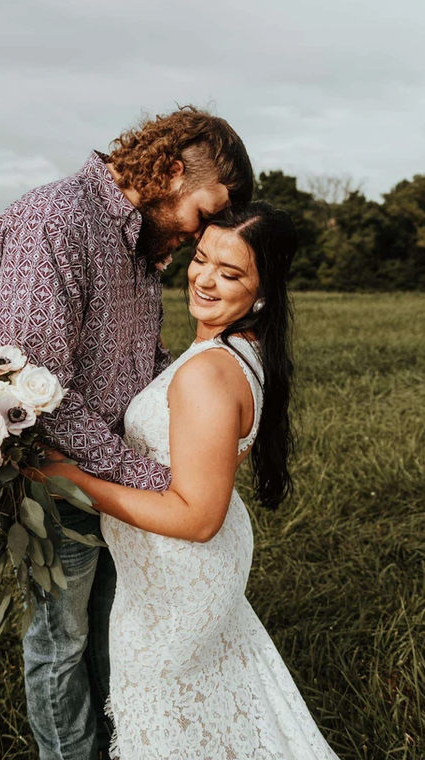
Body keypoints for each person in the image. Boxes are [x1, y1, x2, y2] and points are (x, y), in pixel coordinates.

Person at [0, 105, 253, 760]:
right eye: (204, 212)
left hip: (112, 479)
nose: (203, 233)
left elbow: (137, 363)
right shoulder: (54, 220)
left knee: (112, 629)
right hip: (56, 479)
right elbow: (30, 385)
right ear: (169, 171)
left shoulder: (140, 241)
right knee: (61, 643)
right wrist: (157, 481)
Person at [36, 202, 341, 759]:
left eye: (230, 274)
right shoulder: (236, 350)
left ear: (264, 289)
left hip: (179, 574)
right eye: (201, 259)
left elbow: (198, 518)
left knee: (167, 717)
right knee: (213, 706)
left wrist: (72, 479)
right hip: (180, 571)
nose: (204, 279)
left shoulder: (208, 372)